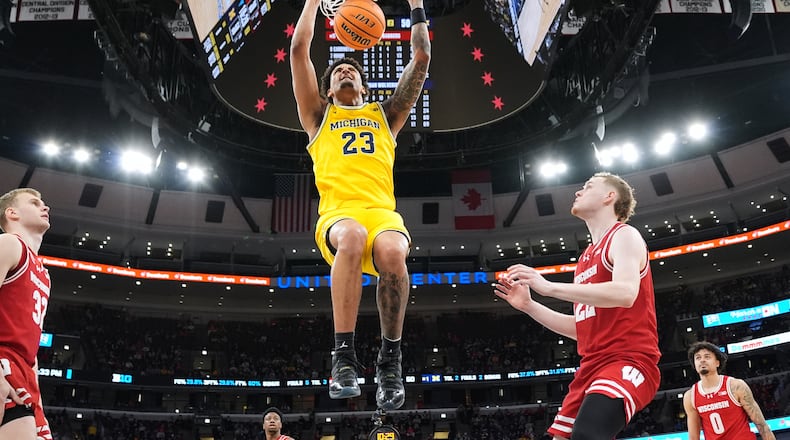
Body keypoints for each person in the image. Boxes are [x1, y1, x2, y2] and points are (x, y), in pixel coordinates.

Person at [290, 0, 430, 411]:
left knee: (393, 251)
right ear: (328, 89)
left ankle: (390, 361)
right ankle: (344, 357)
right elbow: (299, 51)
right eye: (336, 72)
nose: (344, 71)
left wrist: (418, 6)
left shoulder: (385, 116)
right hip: (338, 214)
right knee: (353, 237)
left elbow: (421, 57)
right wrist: (313, 3)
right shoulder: (318, 116)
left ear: (365, 88)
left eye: (351, 70)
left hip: (381, 213)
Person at [494, 172, 661, 440]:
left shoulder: (624, 235)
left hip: (629, 359)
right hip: (590, 366)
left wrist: (548, 287)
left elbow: (626, 292)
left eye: (588, 187)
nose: (578, 192)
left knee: (587, 434)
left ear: (610, 197)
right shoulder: (584, 258)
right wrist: (529, 305)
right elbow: (583, 329)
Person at [0, 188, 52, 440]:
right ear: (12, 213)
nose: (45, 207)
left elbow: (31, 348)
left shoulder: (44, 273)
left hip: (24, 371)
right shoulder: (9, 244)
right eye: (34, 203)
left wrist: (38, 403)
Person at [682, 341, 775, 440]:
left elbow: (762, 425)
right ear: (694, 364)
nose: (702, 360)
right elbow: (693, 437)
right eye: (698, 358)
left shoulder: (735, 386)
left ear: (717, 363)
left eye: (707, 356)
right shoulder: (690, 396)